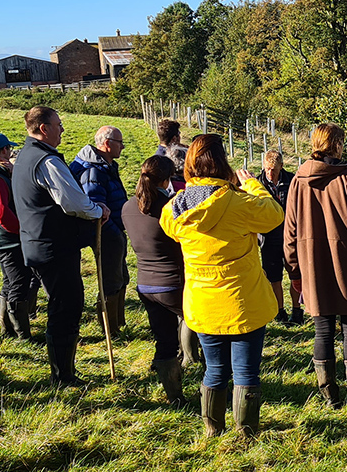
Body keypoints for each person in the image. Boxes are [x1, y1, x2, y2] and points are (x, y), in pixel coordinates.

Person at [160, 134, 284, 436]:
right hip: (244, 303)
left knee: (213, 369)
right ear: (223, 164)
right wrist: (252, 184)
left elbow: (169, 228)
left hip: (203, 303)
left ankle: (212, 429)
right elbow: (273, 215)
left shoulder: (175, 209)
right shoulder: (239, 202)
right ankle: (245, 433)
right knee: (245, 371)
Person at [284, 123, 347, 408]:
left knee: (322, 331)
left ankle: (329, 397)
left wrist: (294, 270)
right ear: (338, 145)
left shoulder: (297, 181)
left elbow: (289, 232)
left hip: (312, 268)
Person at [12, 106, 109, 387]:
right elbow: (73, 202)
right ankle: (63, 376)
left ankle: (64, 372)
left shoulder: (24, 156)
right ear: (44, 128)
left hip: (35, 241)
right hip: (53, 245)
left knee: (61, 305)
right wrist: (96, 210)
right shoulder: (46, 160)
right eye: (58, 124)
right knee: (66, 307)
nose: (62, 129)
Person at [122, 155, 201, 405]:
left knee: (164, 340)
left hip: (145, 283)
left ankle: (174, 396)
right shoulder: (171, 207)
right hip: (174, 281)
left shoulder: (127, 208)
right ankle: (213, 381)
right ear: (167, 179)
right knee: (199, 324)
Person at [70, 126, 130, 336]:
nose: (122, 146)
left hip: (114, 231)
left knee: (121, 276)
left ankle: (119, 323)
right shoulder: (92, 170)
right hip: (105, 233)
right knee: (111, 280)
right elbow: (96, 208)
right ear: (106, 143)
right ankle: (109, 328)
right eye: (119, 142)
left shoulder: (105, 166)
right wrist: (115, 234)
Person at [0, 132, 33, 340]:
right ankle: (22, 335)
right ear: (3, 151)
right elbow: (3, 215)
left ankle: (7, 331)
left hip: (4, 240)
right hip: (8, 243)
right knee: (19, 285)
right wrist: (25, 231)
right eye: (8, 149)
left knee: (10, 283)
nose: (10, 152)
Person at [257, 150, 300, 326]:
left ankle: (297, 311)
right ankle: (279, 311)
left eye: (273, 169)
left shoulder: (292, 181)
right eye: (267, 169)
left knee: (296, 274)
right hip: (268, 238)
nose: (270, 173)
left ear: (281, 167)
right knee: (273, 278)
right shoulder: (257, 184)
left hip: (291, 237)